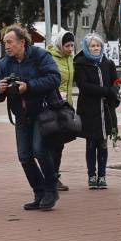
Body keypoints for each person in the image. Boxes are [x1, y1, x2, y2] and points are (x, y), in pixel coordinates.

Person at [0, 24, 62, 211]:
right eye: (5, 42)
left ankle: (51, 189)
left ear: (22, 42)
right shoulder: (6, 63)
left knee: (39, 150)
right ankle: (39, 193)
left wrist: (28, 86)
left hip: (42, 113)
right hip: (21, 116)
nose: (7, 46)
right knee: (24, 156)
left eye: (10, 42)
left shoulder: (40, 56)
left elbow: (54, 78)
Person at [74, 33, 120, 189]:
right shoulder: (80, 64)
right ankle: (91, 175)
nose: (95, 48)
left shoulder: (108, 63)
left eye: (98, 45)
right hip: (89, 109)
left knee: (103, 143)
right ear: (87, 48)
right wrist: (107, 91)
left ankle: (102, 176)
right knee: (91, 143)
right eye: (92, 46)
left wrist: (114, 90)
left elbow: (115, 81)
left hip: (106, 110)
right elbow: (84, 86)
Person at [47, 30, 77, 192]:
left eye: (72, 45)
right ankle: (50, 177)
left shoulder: (70, 59)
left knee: (60, 144)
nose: (70, 48)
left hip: (66, 106)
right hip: (53, 106)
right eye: (67, 45)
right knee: (53, 143)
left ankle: (54, 176)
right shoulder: (50, 58)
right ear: (60, 45)